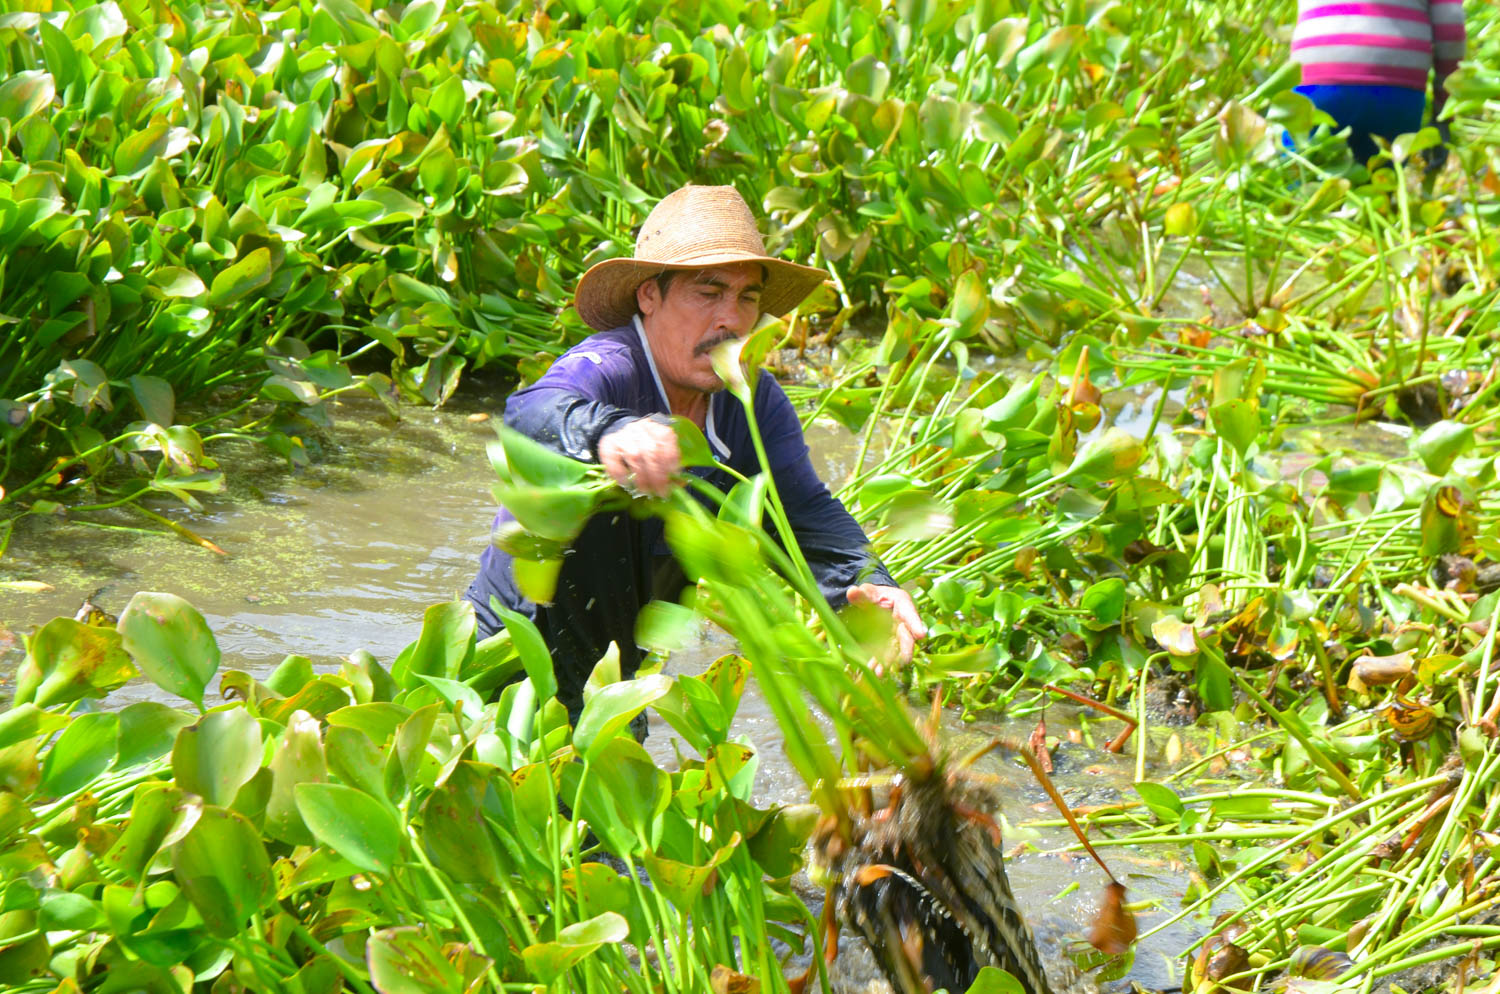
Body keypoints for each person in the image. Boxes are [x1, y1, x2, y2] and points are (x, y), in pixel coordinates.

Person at [464, 185, 926, 724]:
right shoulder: (607, 366)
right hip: (510, 663)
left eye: (746, 297)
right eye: (708, 293)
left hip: (615, 678)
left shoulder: (752, 402)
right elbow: (531, 412)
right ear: (649, 297)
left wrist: (870, 582)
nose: (730, 319)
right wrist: (612, 433)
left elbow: (804, 513)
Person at [1288, 0, 1467, 163]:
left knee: (1295, 171)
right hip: (1394, 87)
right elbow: (1451, 21)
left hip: (1314, 76)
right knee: (1379, 177)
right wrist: (1442, 113)